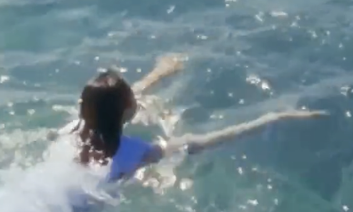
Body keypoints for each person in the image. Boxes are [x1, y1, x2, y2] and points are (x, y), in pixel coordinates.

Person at [74, 54, 323, 183]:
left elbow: (111, 101)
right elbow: (209, 140)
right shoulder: (139, 152)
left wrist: (160, 73)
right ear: (128, 109)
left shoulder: (73, 131)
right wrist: (275, 117)